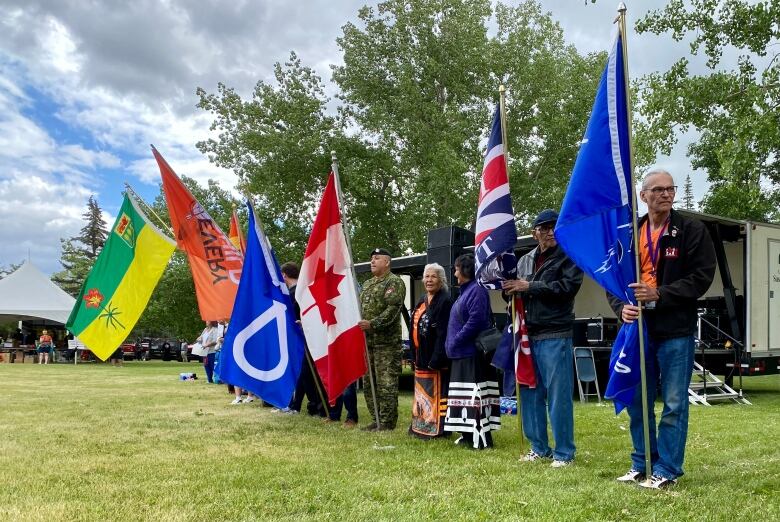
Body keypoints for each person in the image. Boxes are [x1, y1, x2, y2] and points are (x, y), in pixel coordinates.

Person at [610, 169, 716, 489]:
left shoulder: (690, 229)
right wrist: (620, 308)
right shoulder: (631, 234)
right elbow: (613, 278)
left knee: (673, 403)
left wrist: (661, 293)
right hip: (638, 330)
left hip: (675, 330)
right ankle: (642, 462)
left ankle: (667, 469)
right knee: (637, 400)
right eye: (657, 190)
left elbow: (702, 276)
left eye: (670, 189)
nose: (666, 194)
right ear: (643, 196)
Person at [502, 209, 584, 467]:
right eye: (545, 228)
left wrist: (529, 286)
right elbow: (515, 292)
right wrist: (510, 291)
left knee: (558, 395)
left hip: (555, 332)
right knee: (529, 392)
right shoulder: (524, 260)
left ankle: (564, 453)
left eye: (554, 227)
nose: (550, 232)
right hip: (527, 333)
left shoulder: (569, 256)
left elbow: (567, 288)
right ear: (534, 232)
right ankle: (538, 447)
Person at [443, 253, 500, 449]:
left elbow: (476, 321)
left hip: (471, 354)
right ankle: (467, 435)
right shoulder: (465, 291)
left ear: (465, 270)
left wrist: (456, 340)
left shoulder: (476, 290)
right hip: (461, 354)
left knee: (474, 397)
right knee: (463, 398)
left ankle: (480, 438)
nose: (454, 272)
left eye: (457, 267)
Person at [358, 247, 406, 431]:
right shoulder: (368, 283)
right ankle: (376, 418)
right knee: (369, 383)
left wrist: (373, 323)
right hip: (367, 342)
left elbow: (392, 310)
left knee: (386, 383)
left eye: (377, 258)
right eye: (371, 259)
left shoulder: (394, 282)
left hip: (386, 344)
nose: (372, 261)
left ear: (387, 262)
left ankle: (387, 422)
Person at [409, 263, 453, 439]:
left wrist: (436, 358)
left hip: (436, 360)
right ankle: (421, 425)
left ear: (441, 280)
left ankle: (439, 429)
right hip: (421, 357)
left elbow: (444, 334)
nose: (428, 280)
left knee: (438, 395)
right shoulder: (422, 299)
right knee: (423, 394)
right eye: (426, 276)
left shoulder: (445, 301)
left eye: (433, 276)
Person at [281, 261, 326, 417]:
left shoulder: (298, 293)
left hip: (305, 337)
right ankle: (298, 405)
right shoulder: (295, 292)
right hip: (299, 338)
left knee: (307, 374)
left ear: (284, 275)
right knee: (302, 374)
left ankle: (316, 406)